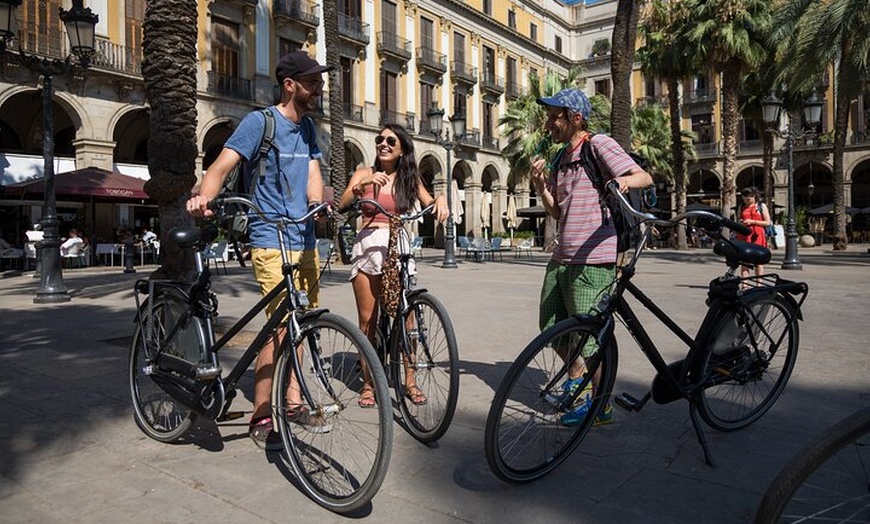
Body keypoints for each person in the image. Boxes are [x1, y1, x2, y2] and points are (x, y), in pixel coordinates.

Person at [187, 50, 332, 450]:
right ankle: (264, 411)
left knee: (300, 323)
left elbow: (313, 177)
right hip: (269, 238)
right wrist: (205, 198)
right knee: (280, 325)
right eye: (313, 82)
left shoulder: (308, 130)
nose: (319, 87)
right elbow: (221, 166)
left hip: (303, 239)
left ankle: (294, 402)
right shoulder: (260, 122)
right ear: (290, 85)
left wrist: (320, 207)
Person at [530, 88, 652, 427]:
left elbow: (644, 176)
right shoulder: (558, 159)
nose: (549, 122)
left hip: (594, 257)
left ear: (576, 118)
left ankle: (600, 405)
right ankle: (576, 384)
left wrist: (623, 183)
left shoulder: (598, 145)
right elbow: (557, 211)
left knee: (589, 337)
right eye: (550, 115)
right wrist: (541, 186)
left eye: (556, 116)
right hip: (563, 256)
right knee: (551, 327)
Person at [337, 124, 448, 408]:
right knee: (367, 321)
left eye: (390, 140)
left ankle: (410, 381)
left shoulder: (408, 179)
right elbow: (342, 203)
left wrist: (442, 199)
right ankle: (368, 384)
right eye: (380, 139)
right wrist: (361, 185)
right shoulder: (364, 172)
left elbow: (429, 202)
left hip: (397, 246)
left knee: (407, 320)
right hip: (368, 246)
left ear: (402, 150)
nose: (383, 144)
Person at [737, 186, 770, 278]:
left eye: (750, 197)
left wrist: (753, 222)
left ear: (755, 196)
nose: (747, 199)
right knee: (744, 261)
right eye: (745, 196)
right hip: (744, 235)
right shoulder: (741, 207)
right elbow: (739, 220)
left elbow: (767, 222)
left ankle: (759, 283)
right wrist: (741, 223)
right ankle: (745, 284)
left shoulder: (761, 206)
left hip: (757, 234)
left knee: (758, 261)